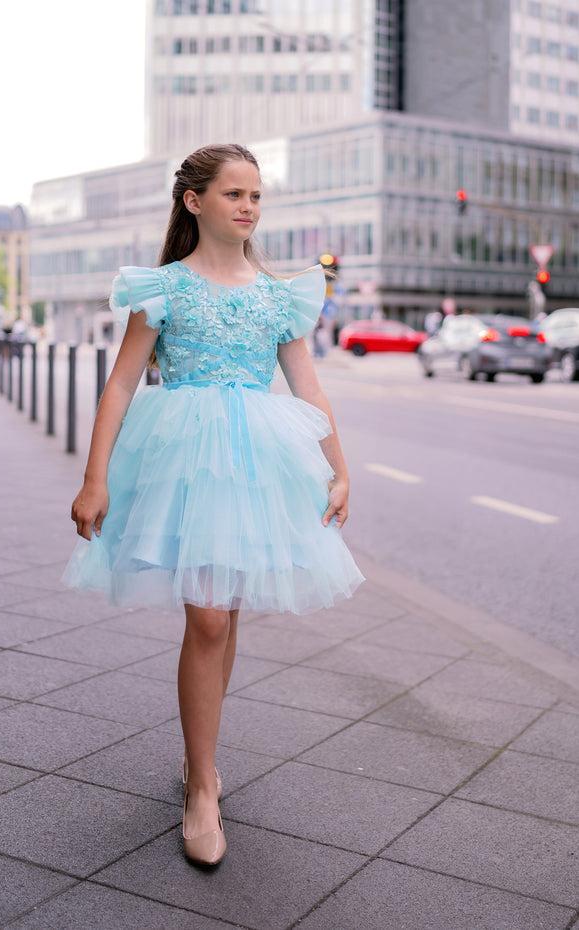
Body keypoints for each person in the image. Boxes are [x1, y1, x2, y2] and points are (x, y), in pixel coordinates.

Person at [63, 143, 363, 867]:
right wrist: (94, 476)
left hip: (257, 466)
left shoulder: (278, 294)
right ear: (195, 201)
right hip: (182, 459)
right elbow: (120, 386)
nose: (249, 207)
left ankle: (204, 757)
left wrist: (339, 469)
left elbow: (307, 387)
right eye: (234, 194)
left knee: (222, 613)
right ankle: (202, 788)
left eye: (256, 196)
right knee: (205, 616)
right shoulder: (163, 288)